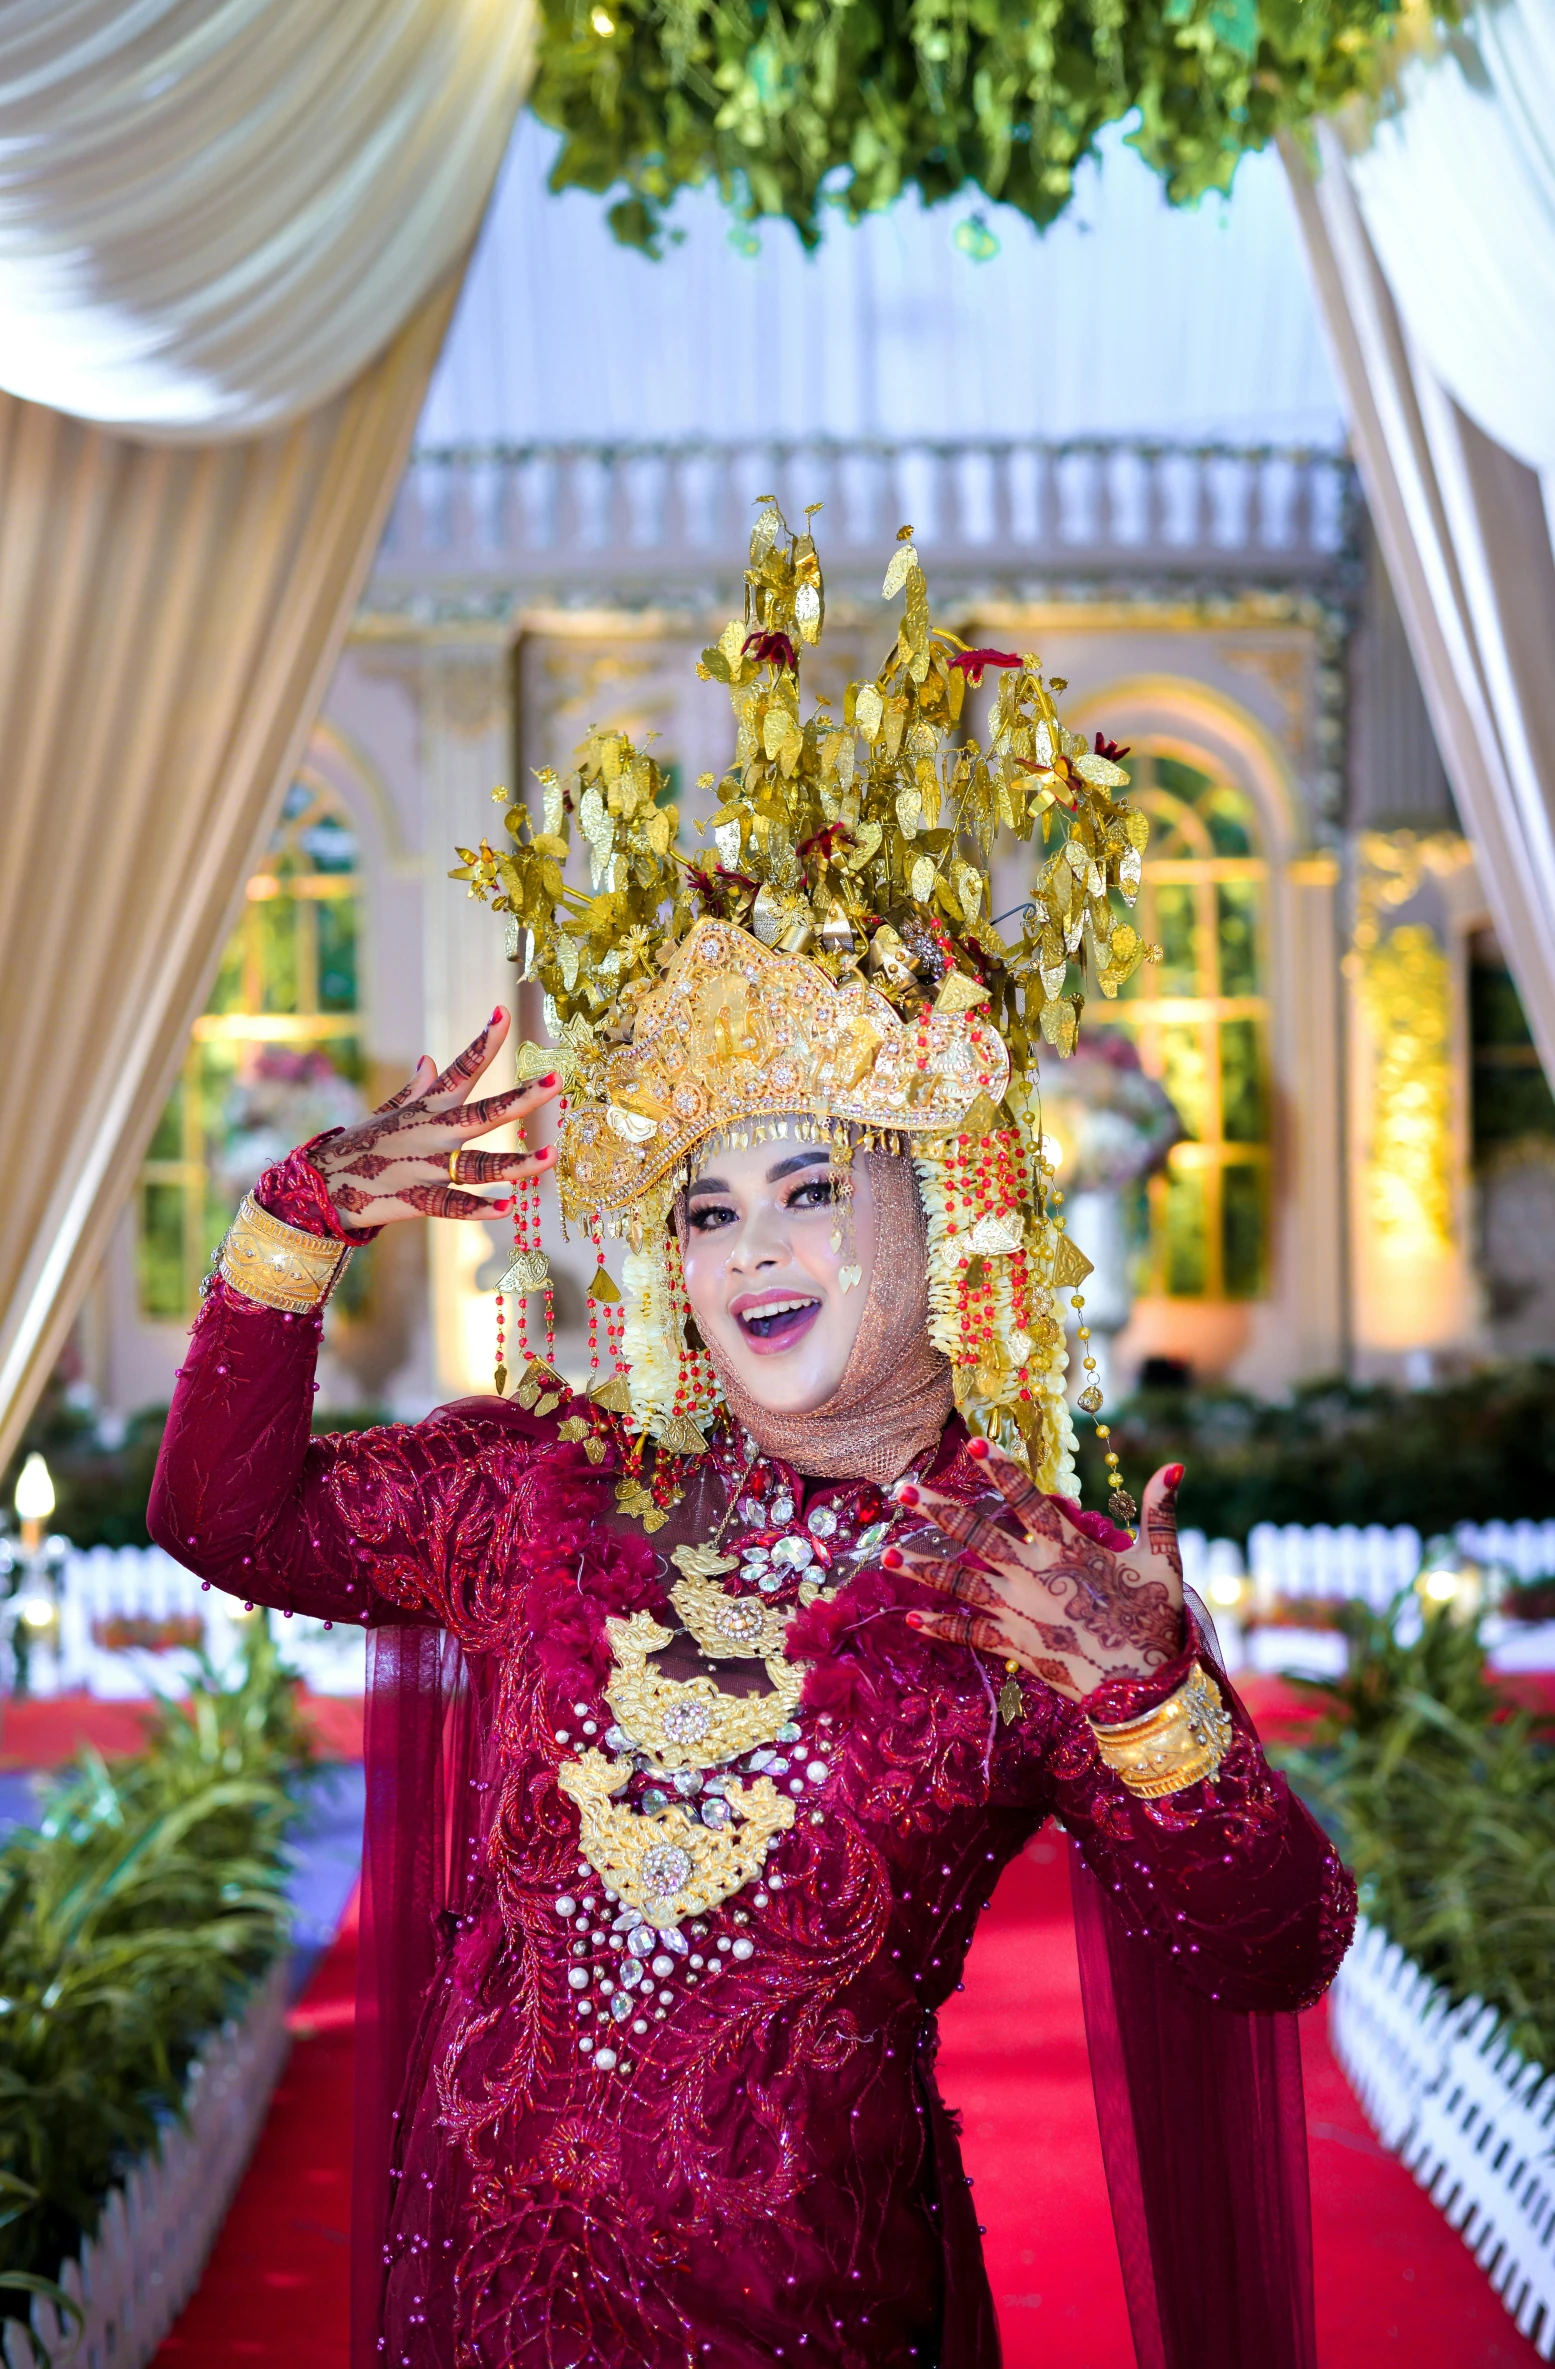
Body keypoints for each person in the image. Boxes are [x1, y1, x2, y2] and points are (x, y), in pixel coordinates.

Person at [150, 511, 1354, 2369]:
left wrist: (1152, 1697)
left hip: (804, 2314)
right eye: (705, 1214)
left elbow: (1271, 1949)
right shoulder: (540, 1488)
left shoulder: (1022, 1587)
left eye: (806, 1188)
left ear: (940, 1206)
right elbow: (230, 1523)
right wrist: (294, 1223)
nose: (753, 1249)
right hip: (487, 2300)